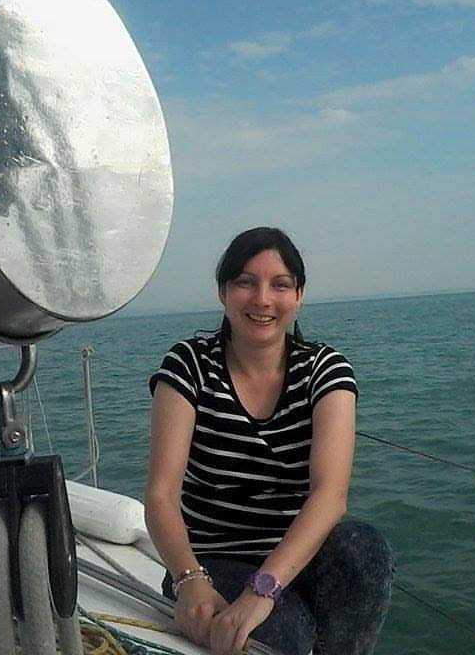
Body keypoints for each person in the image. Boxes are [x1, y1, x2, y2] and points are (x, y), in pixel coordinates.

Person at [145, 227, 394, 655]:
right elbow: (161, 495)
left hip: (294, 557)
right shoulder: (189, 365)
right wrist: (189, 581)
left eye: (280, 284)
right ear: (223, 292)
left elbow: (330, 495)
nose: (262, 299)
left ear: (298, 296)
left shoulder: (324, 370)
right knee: (285, 635)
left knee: (365, 551)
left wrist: (264, 589)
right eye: (246, 282)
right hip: (210, 563)